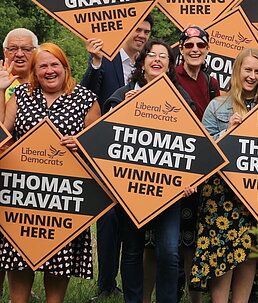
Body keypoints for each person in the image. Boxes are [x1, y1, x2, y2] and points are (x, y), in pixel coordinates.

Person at [0, 43, 100, 303]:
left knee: (59, 262)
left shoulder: (85, 98)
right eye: (42, 66)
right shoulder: (21, 94)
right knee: (19, 259)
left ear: (65, 67)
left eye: (54, 64)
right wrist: (0, 91)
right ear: (34, 71)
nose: (49, 70)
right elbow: (3, 135)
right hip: (23, 195)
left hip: (64, 199)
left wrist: (82, 143)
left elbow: (99, 146)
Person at [104, 39, 194, 303]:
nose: (157, 59)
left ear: (169, 65)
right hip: (131, 189)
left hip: (170, 190)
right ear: (142, 63)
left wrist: (190, 178)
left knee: (169, 251)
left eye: (163, 56)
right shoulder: (122, 94)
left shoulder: (182, 99)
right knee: (132, 251)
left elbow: (193, 146)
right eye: (151, 55)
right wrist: (122, 109)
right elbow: (106, 139)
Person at [191, 48, 258, 303]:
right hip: (221, 197)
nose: (252, 76)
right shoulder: (218, 106)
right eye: (247, 69)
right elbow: (202, 153)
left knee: (249, 254)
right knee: (223, 257)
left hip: (256, 195)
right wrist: (227, 133)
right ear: (237, 71)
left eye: (257, 71)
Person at [81, 15, 153, 300]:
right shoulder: (106, 60)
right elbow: (86, 93)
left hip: (140, 156)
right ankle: (106, 284)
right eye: (137, 29)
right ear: (126, 31)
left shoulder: (150, 64)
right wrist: (95, 62)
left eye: (146, 31)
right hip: (107, 153)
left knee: (132, 224)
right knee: (109, 219)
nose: (142, 35)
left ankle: (131, 286)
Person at [174, 26, 220, 303]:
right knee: (173, 236)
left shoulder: (212, 83)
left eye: (200, 45)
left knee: (195, 235)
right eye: (188, 45)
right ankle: (172, 288)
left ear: (207, 49)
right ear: (180, 49)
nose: (194, 50)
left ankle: (195, 295)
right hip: (177, 162)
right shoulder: (171, 77)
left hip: (204, 167)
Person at [2, 28, 38, 102]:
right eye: (13, 49)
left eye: (26, 49)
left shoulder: (45, 78)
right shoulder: (1, 79)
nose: (19, 54)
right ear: (5, 52)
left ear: (35, 52)